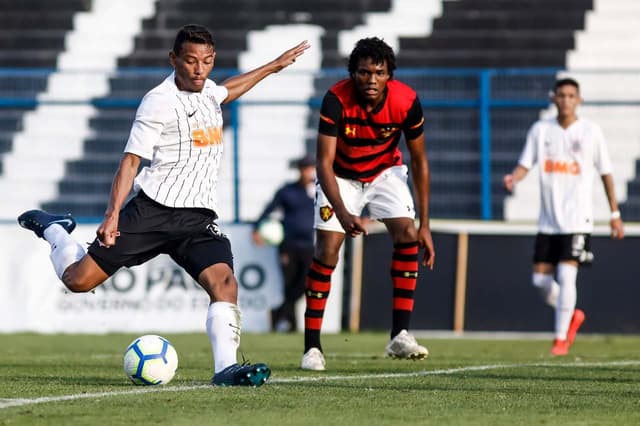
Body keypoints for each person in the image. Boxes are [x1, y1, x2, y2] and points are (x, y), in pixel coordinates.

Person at [18, 24, 309, 386]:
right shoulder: (158, 101)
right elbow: (130, 161)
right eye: (190, 61)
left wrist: (272, 67)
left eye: (206, 61)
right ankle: (55, 229)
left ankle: (225, 370)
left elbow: (227, 90)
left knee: (225, 284)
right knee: (78, 281)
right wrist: (112, 216)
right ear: (174, 60)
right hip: (154, 211)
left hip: (198, 218)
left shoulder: (208, 93)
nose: (199, 69)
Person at [300, 37, 435, 371]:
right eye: (363, 72)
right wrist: (344, 214)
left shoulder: (406, 101)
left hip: (384, 172)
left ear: (389, 75)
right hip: (341, 177)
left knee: (408, 234)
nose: (371, 80)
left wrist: (426, 225)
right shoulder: (335, 99)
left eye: (379, 72)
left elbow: (419, 162)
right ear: (353, 74)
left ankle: (400, 334)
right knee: (328, 250)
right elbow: (323, 163)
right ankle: (312, 347)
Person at [503, 77, 625, 356]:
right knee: (541, 282)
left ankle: (560, 339)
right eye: (561, 95)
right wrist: (514, 178)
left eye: (572, 95)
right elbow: (525, 164)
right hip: (548, 221)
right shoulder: (540, 130)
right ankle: (570, 314)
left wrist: (614, 214)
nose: (566, 100)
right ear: (553, 98)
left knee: (567, 278)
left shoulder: (591, 132)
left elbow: (606, 173)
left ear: (579, 100)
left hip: (577, 220)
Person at [252, 154, 316, 332]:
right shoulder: (287, 191)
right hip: (288, 246)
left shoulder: (318, 191)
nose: (307, 172)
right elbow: (269, 209)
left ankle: (278, 313)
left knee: (305, 283)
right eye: (304, 168)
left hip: (309, 246)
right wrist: (257, 228)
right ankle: (291, 325)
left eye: (310, 168)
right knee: (288, 284)